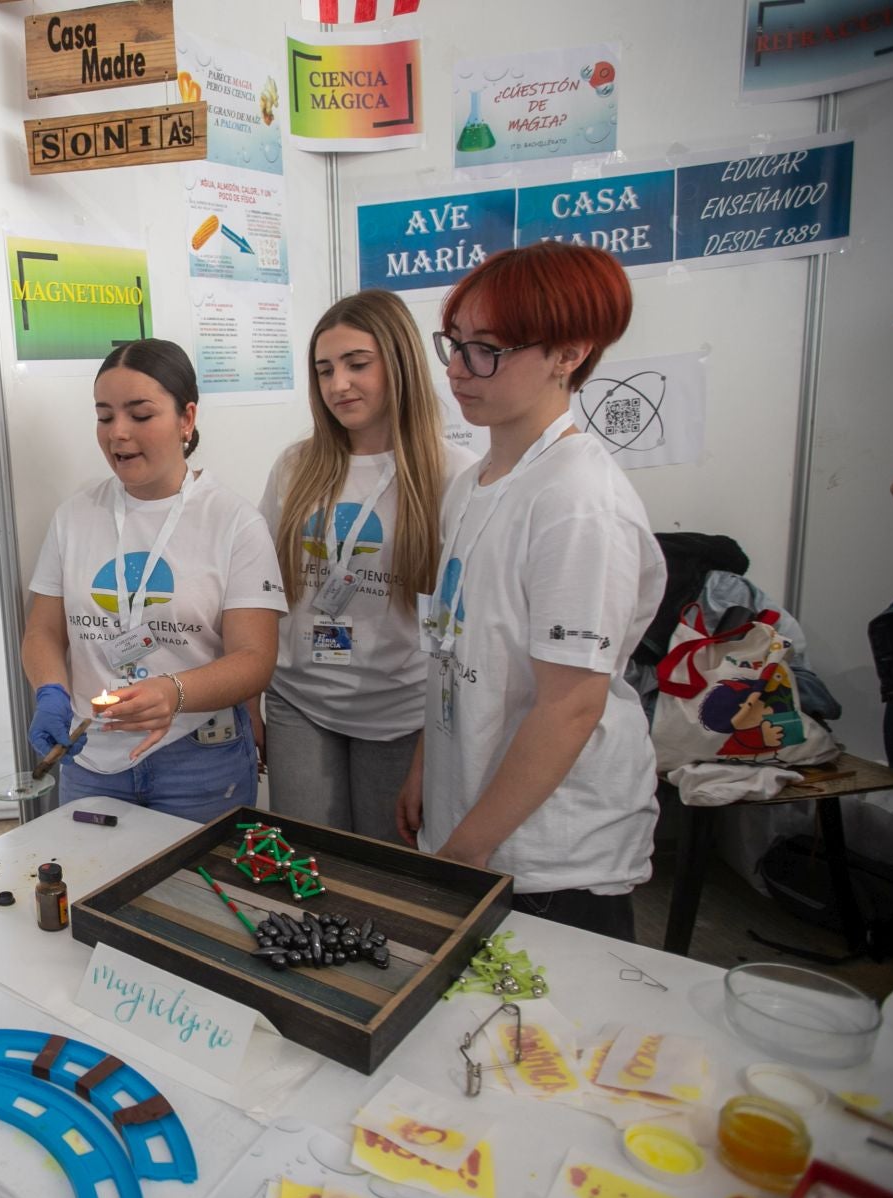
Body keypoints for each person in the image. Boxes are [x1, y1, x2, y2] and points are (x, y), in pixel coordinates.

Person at [396, 242, 666, 942]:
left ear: (568, 353)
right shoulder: (474, 482)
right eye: (453, 345)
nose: (457, 370)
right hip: (474, 821)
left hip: (551, 856)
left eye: (486, 350)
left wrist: (466, 848)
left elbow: (570, 705)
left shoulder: (578, 501)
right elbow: (451, 645)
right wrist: (428, 769)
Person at [20, 338, 286, 823]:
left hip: (199, 760)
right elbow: (43, 631)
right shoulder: (75, 517)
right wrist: (51, 693)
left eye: (139, 415)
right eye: (104, 416)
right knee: (92, 890)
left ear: (186, 419)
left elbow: (255, 659)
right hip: (91, 757)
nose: (118, 433)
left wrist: (174, 692)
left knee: (197, 897)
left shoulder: (234, 522)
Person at [256, 289, 474, 840]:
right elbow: (260, 590)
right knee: (309, 863)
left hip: (400, 713)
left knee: (384, 877)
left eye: (357, 364)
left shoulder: (454, 475)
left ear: (398, 362)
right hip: (298, 701)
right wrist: (246, 699)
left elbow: (458, 624)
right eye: (325, 370)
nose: (338, 385)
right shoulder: (296, 465)